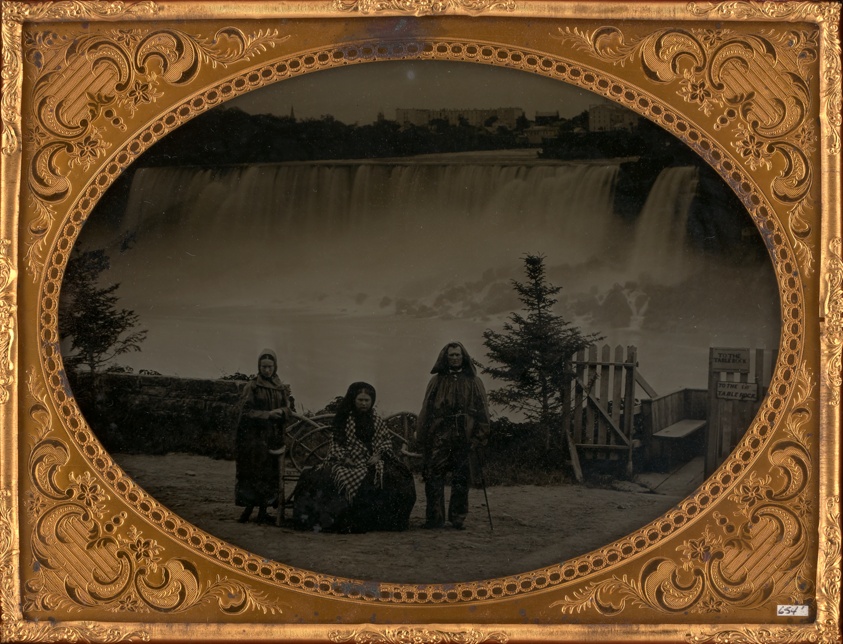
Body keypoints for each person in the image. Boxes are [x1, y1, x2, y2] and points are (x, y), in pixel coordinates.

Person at [293, 382, 415, 532]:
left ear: (372, 401)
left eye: (367, 400)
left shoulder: (376, 420)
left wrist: (378, 456)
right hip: (347, 460)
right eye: (360, 400)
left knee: (397, 477)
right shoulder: (343, 419)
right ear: (353, 400)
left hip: (372, 460)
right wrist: (345, 459)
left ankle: (383, 522)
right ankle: (344, 521)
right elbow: (336, 443)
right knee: (333, 476)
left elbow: (385, 441)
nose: (364, 404)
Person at [416, 342, 490, 530]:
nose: (455, 358)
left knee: (461, 477)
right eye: (451, 355)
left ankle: (457, 518)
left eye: (458, 355)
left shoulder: (474, 381)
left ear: (463, 357)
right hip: (440, 434)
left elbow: (483, 412)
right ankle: (435, 519)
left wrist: (479, 437)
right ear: (445, 357)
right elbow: (426, 410)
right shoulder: (436, 381)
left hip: (464, 435)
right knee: (434, 475)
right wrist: (422, 436)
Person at [235, 349, 294, 524]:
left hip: (274, 437)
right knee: (254, 472)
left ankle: (263, 510)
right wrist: (267, 415)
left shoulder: (279, 386)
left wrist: (281, 411)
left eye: (270, 366)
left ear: (275, 366)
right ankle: (248, 509)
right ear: (259, 367)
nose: (267, 370)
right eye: (263, 367)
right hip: (255, 438)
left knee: (270, 474)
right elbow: (245, 412)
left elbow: (288, 409)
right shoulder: (252, 386)